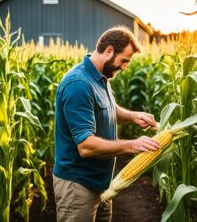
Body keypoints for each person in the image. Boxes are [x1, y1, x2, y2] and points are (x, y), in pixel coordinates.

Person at [53, 26, 160, 222]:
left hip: (101, 183)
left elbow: (107, 109)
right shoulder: (78, 84)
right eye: (124, 60)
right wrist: (132, 145)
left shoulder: (100, 77)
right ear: (109, 51)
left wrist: (133, 116)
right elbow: (85, 146)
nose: (125, 67)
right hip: (78, 187)